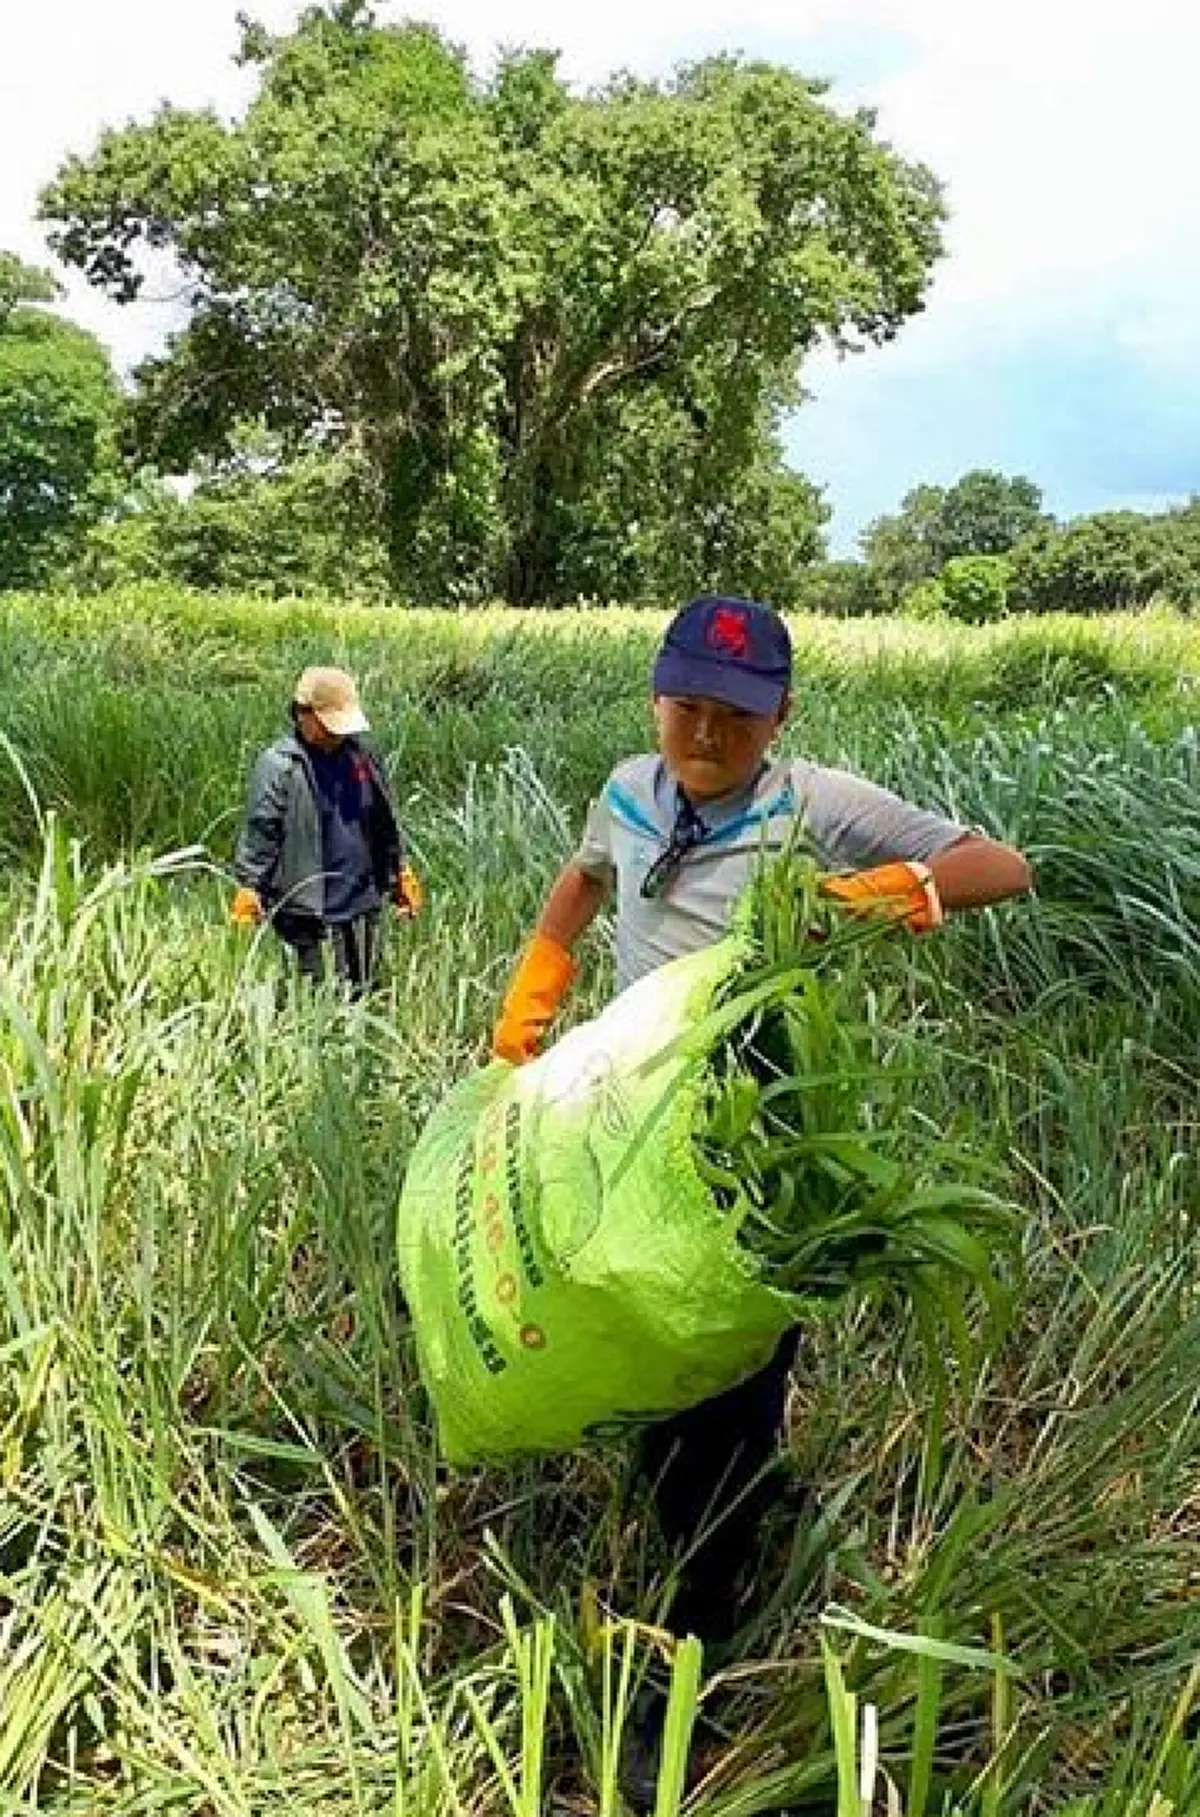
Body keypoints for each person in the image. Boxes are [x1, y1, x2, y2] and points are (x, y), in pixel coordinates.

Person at [489, 595, 1032, 1793]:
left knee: (721, 1401)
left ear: (778, 714)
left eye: (735, 712)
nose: (706, 730)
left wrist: (858, 900)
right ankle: (739, 1499)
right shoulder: (632, 787)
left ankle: (690, 1654)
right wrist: (530, 1004)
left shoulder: (813, 805)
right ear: (656, 698)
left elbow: (1001, 864)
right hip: (627, 1128)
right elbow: (581, 882)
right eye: (687, 702)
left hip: (756, 1148)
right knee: (645, 1365)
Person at [231, 666, 421, 992]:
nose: (338, 734)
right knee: (315, 999)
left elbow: (383, 819)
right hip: (308, 910)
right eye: (329, 724)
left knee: (365, 992)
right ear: (303, 714)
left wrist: (398, 870)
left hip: (362, 901)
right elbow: (262, 830)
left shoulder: (362, 756)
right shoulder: (280, 766)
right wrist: (250, 886)